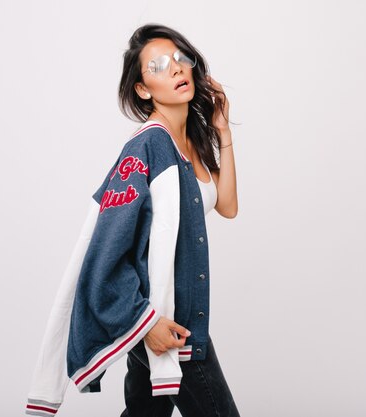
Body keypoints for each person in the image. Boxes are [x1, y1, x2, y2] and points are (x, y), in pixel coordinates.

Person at [25, 23, 239, 417]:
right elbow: (107, 249)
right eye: (158, 66)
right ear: (142, 88)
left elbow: (226, 205)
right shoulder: (146, 147)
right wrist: (148, 322)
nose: (175, 69)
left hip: (166, 319)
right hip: (166, 325)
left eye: (179, 58)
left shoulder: (189, 140)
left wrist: (222, 131)